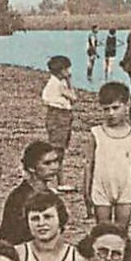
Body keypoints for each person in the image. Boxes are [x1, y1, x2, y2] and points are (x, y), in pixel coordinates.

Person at [82, 82, 131, 227]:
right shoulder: (96, 133)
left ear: (126, 105)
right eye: (106, 109)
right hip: (101, 188)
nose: (111, 113)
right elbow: (88, 164)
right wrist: (86, 192)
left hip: (126, 189)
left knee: (122, 232)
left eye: (115, 108)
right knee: (102, 230)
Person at [0, 141, 61, 245]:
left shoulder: (51, 195)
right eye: (47, 163)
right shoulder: (19, 198)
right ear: (31, 167)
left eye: (56, 161)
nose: (54, 167)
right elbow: (9, 237)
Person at [41, 55, 76, 191]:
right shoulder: (58, 84)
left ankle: (60, 182)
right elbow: (74, 97)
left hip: (60, 116)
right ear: (61, 70)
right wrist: (70, 81)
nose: (69, 72)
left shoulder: (55, 82)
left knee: (59, 150)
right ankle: (53, 182)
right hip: (58, 116)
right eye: (67, 69)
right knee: (57, 151)